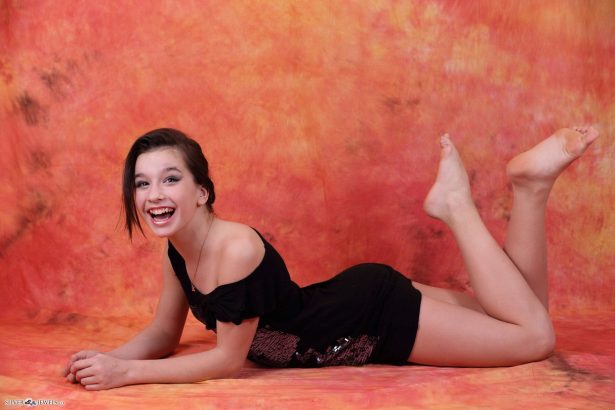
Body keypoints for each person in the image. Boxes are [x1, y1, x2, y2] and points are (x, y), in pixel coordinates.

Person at [62, 126, 599, 390]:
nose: (154, 194)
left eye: (170, 179)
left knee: (534, 337)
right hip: (352, 298)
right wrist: (102, 357)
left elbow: (227, 361)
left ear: (202, 192)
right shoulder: (178, 251)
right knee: (525, 310)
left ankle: (456, 208)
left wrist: (125, 373)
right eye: (142, 183)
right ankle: (531, 188)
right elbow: (163, 333)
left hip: (372, 321)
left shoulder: (236, 247)